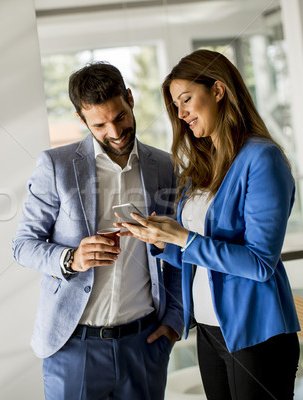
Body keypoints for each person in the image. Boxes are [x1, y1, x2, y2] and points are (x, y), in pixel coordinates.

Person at [116, 49, 301, 400]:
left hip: (255, 333)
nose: (182, 114)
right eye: (176, 105)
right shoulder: (202, 165)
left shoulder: (262, 159)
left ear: (218, 90)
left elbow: (260, 264)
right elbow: (201, 254)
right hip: (209, 330)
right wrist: (160, 240)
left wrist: (183, 237)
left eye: (186, 100)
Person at [13, 61, 184, 400]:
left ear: (130, 99)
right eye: (100, 124)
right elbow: (22, 245)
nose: (115, 132)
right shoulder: (57, 166)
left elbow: (176, 247)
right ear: (82, 119)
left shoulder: (165, 167)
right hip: (74, 347)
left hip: (145, 344)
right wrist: (71, 258)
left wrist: (175, 322)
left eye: (119, 116)